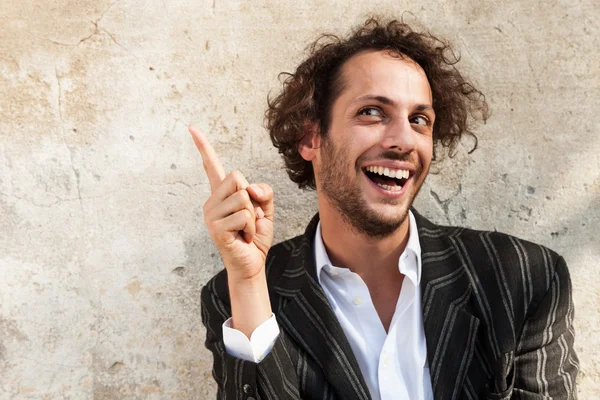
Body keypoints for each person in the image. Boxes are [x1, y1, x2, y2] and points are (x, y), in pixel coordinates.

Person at [191, 17, 579, 400]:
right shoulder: (237, 298)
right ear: (311, 137)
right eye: (372, 112)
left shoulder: (527, 280)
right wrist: (246, 282)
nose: (403, 140)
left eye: (419, 119)